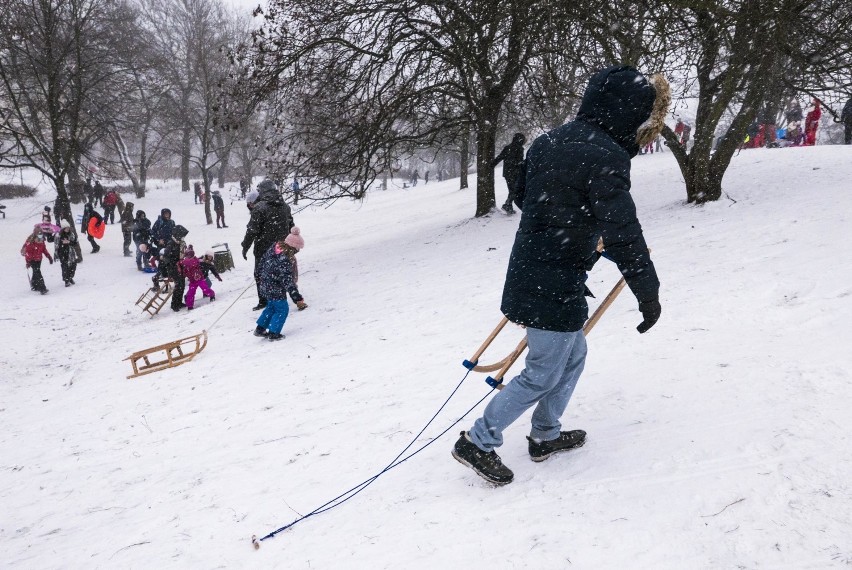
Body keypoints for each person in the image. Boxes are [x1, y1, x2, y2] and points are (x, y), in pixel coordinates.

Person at [451, 65, 666, 485]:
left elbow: (535, 198)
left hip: (537, 271)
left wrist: (582, 232)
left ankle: (545, 434)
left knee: (574, 355)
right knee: (542, 372)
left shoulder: (549, 140)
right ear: (625, 112)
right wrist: (648, 292)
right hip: (551, 280)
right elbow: (624, 232)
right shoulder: (605, 155)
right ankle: (478, 441)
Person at [241, 180, 295, 311]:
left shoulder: (259, 208)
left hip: (263, 248)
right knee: (282, 271)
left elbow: (252, 230)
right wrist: (290, 245)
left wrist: (245, 246)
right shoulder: (285, 206)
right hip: (282, 246)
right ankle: (283, 297)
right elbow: (291, 226)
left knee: (260, 274)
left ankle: (264, 300)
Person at [253, 227, 307, 341]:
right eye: (297, 249)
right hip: (275, 287)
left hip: (265, 284)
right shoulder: (285, 259)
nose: (297, 251)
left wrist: (259, 274)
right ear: (292, 247)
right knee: (282, 309)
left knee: (271, 307)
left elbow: (262, 260)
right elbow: (287, 279)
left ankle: (260, 328)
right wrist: (295, 295)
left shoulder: (275, 247)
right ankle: (274, 333)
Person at [491, 132, 526, 214]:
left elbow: (500, 157)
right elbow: (519, 162)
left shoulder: (507, 147)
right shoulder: (520, 148)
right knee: (514, 190)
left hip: (507, 173)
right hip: (515, 173)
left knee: (511, 189)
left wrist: (492, 164)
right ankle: (507, 205)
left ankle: (508, 205)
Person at [178, 246, 221, 310]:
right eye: (208, 256)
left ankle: (211, 295)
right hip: (193, 280)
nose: (209, 258)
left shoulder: (210, 264)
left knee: (206, 287)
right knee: (191, 292)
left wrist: (217, 276)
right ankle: (189, 305)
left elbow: (214, 271)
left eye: (210, 257)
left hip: (201, 278)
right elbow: (183, 264)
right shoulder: (197, 260)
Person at [21, 225, 53, 294]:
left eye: (41, 234)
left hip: (39, 259)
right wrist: (28, 262)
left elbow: (44, 250)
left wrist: (49, 257)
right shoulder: (30, 242)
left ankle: (34, 285)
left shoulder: (42, 241)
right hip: (32, 260)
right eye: (39, 234)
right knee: (38, 272)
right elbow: (27, 254)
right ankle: (42, 288)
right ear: (35, 234)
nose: (40, 236)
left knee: (36, 272)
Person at [56, 220, 78, 286]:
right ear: (63, 229)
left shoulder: (72, 234)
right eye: (66, 228)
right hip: (63, 253)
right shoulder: (59, 236)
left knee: (73, 266)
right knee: (65, 267)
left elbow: (75, 243)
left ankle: (70, 277)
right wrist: (63, 244)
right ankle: (66, 280)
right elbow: (57, 245)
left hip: (71, 254)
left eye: (68, 228)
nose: (67, 229)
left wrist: (69, 242)